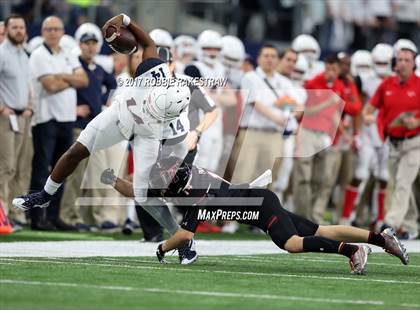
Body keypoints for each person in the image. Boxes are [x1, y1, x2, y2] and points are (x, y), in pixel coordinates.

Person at [13, 14, 197, 263]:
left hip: (147, 135)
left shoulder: (176, 124)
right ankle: (44, 195)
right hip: (120, 116)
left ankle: (181, 239)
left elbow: (176, 152)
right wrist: (128, 21)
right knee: (76, 151)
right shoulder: (153, 72)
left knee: (143, 196)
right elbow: (149, 44)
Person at [101, 156, 409, 274]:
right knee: (321, 229)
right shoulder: (188, 182)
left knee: (291, 243)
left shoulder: (198, 195)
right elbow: (140, 192)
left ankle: (353, 250)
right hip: (258, 201)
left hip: (260, 207)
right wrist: (114, 180)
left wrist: (161, 248)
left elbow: (184, 236)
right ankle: (382, 239)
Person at [28, 16, 89, 231]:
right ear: (43, 32)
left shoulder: (66, 54)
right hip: (45, 118)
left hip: (66, 119)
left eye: (56, 29)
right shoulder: (38, 55)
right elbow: (51, 85)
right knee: (41, 170)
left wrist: (62, 76)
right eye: (48, 29)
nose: (53, 32)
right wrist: (69, 79)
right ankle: (37, 217)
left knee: (61, 170)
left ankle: (54, 216)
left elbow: (84, 80)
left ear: (63, 31)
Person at [59, 31, 118, 230]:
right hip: (79, 127)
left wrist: (102, 103)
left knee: (100, 173)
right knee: (75, 175)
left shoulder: (99, 69)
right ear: (80, 45)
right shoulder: (74, 67)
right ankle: (69, 216)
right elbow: (65, 89)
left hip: (96, 128)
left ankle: (95, 217)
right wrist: (72, 108)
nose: (90, 47)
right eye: (86, 43)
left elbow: (113, 84)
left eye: (93, 43)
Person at [363, 39, 420, 239]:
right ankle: (411, 225)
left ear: (414, 63)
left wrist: (416, 122)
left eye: (407, 60)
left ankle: (391, 224)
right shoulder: (386, 84)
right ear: (395, 63)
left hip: (414, 142)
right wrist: (368, 116)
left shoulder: (419, 84)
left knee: (403, 183)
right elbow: (369, 108)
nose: (403, 63)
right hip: (392, 142)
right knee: (401, 182)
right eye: (400, 59)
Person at [340, 44, 394, 229]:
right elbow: (358, 109)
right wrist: (356, 134)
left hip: (387, 134)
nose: (380, 65)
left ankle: (380, 219)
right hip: (368, 133)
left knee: (383, 176)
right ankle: (347, 216)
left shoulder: (395, 82)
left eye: (383, 62)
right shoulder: (364, 81)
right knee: (360, 173)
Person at [0, 14, 32, 229]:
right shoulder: (2, 52)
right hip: (6, 117)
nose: (19, 31)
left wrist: (29, 105)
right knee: (6, 166)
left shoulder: (23, 54)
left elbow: (26, 84)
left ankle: (13, 213)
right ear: (7, 30)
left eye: (21, 27)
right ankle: (1, 213)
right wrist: (1, 107)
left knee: (20, 166)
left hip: (22, 116)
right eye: (14, 27)